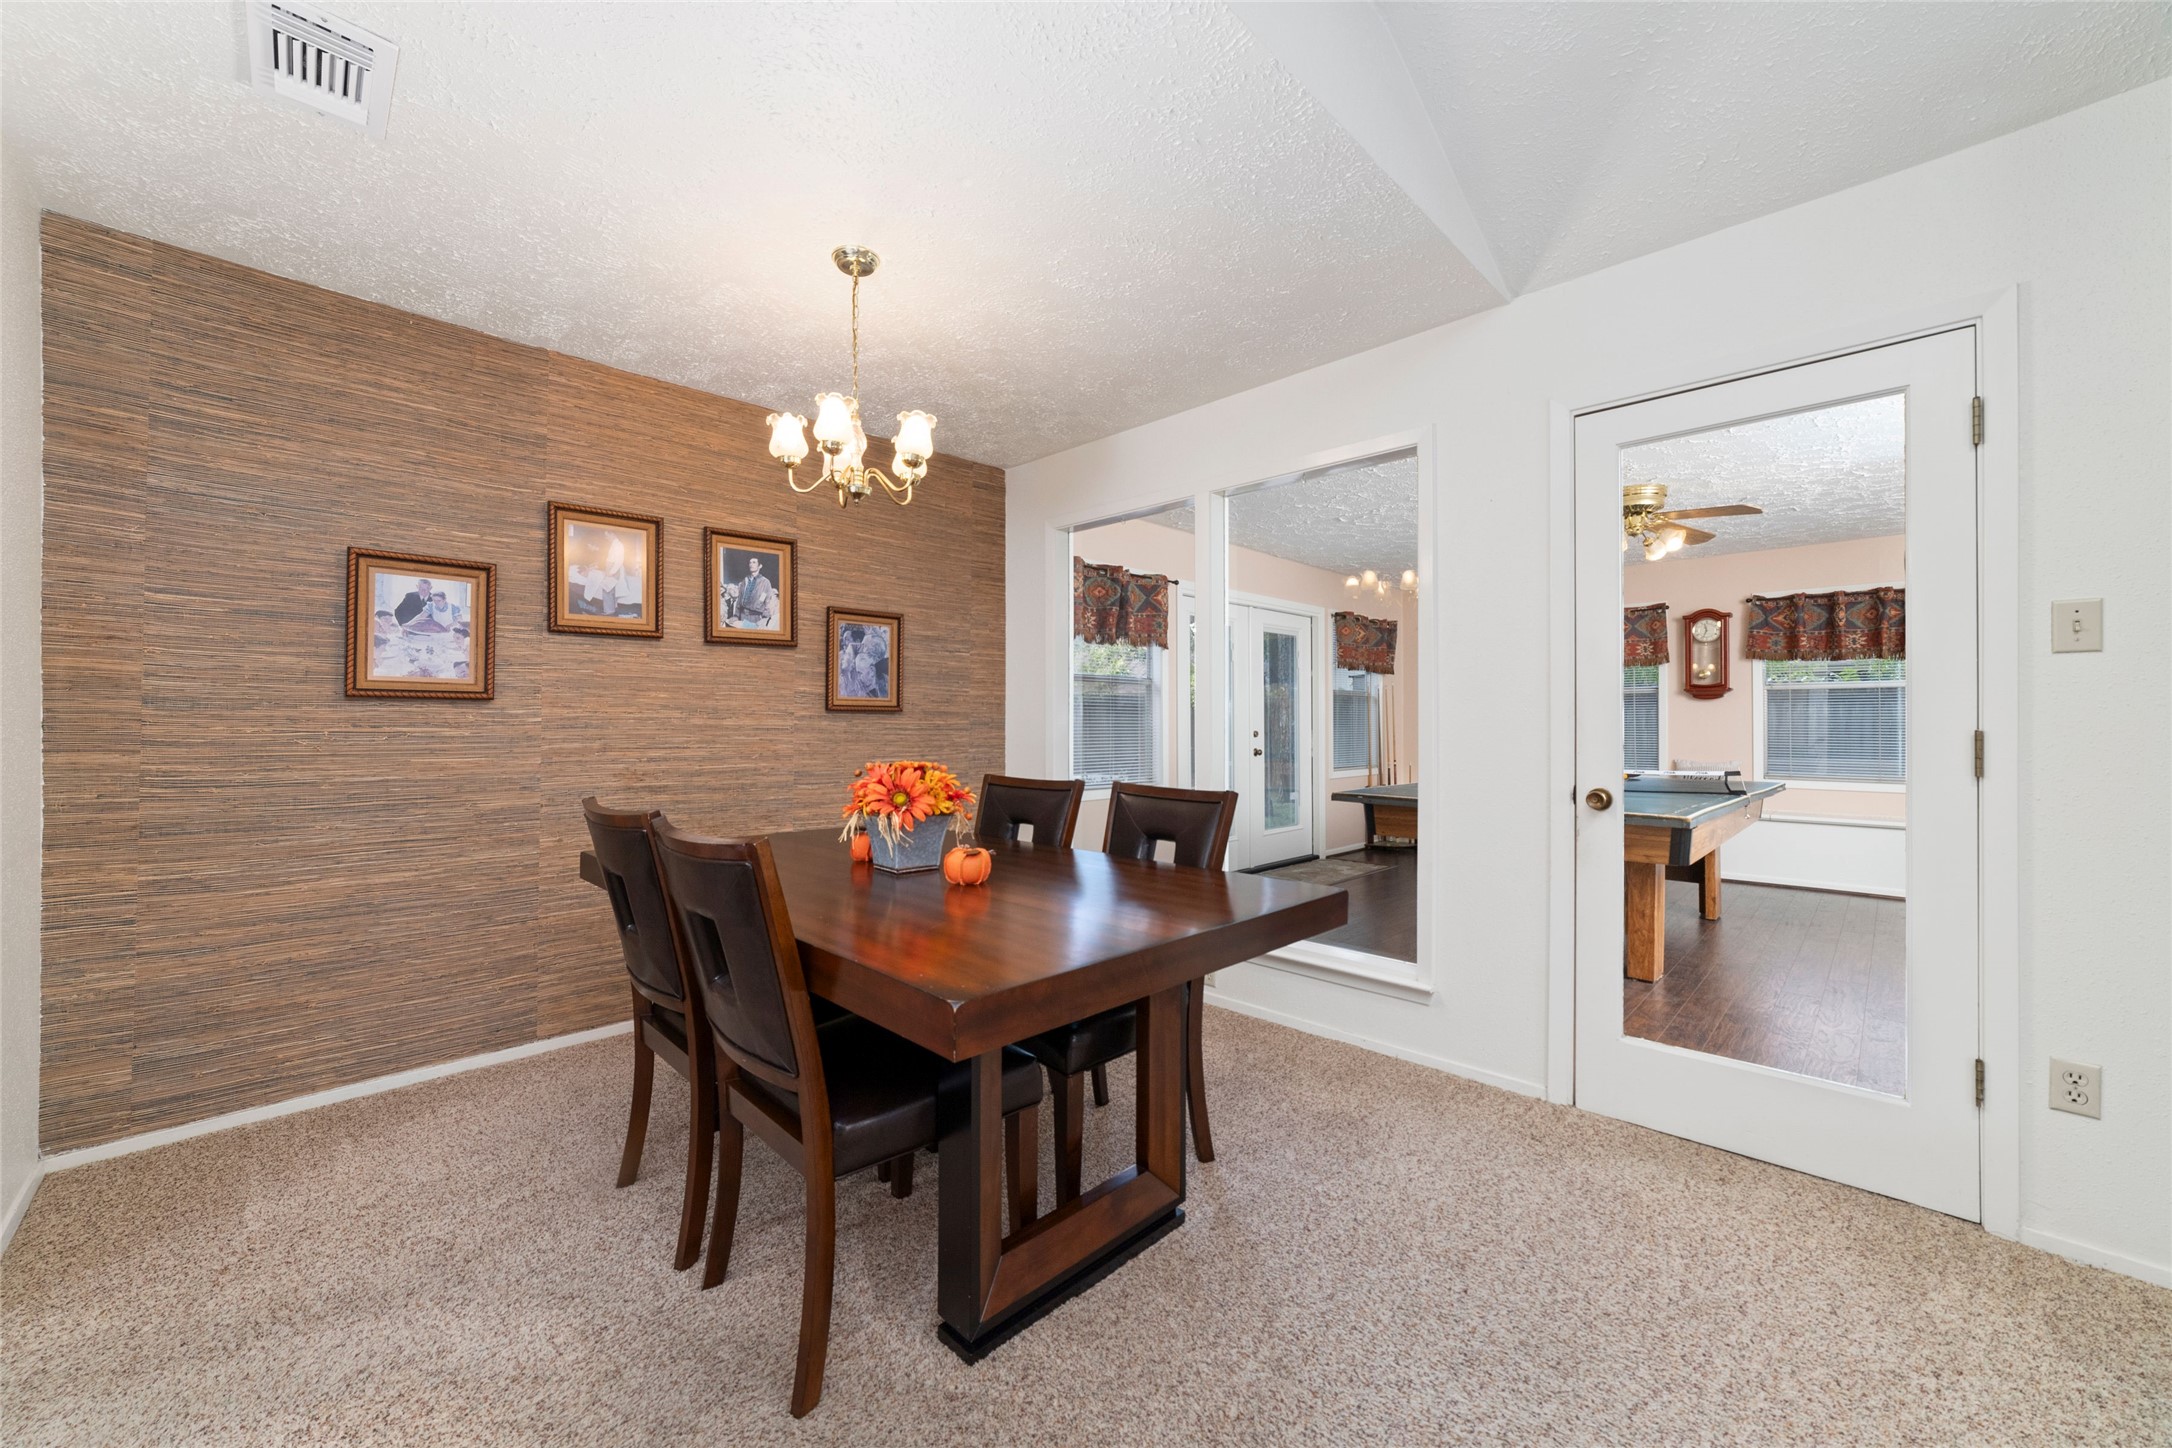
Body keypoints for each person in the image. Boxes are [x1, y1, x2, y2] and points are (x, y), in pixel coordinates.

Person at [734, 555, 777, 629]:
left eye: (754, 562)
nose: (751, 564)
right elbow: (739, 600)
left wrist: (765, 619)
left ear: (760, 566)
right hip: (742, 616)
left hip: (756, 618)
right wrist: (736, 616)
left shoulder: (765, 582)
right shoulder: (745, 581)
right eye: (750, 562)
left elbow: (768, 602)